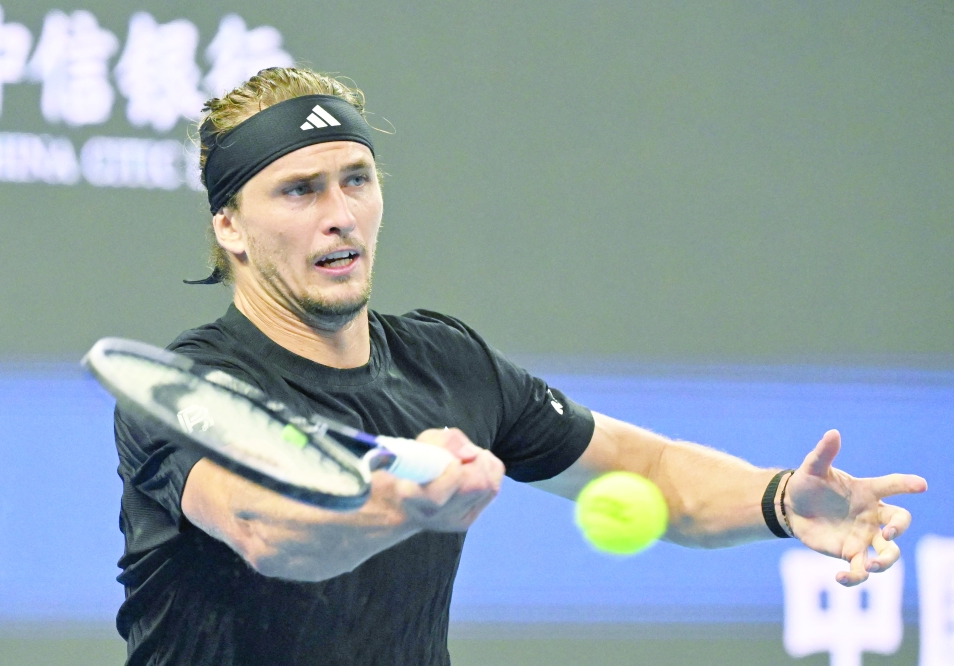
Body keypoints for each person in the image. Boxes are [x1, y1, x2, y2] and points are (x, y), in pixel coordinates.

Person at [113, 67, 927, 666]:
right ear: (229, 226)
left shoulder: (446, 363)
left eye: (355, 179)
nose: (339, 216)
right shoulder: (193, 389)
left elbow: (650, 473)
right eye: (299, 191)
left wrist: (780, 498)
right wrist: (399, 505)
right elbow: (265, 529)